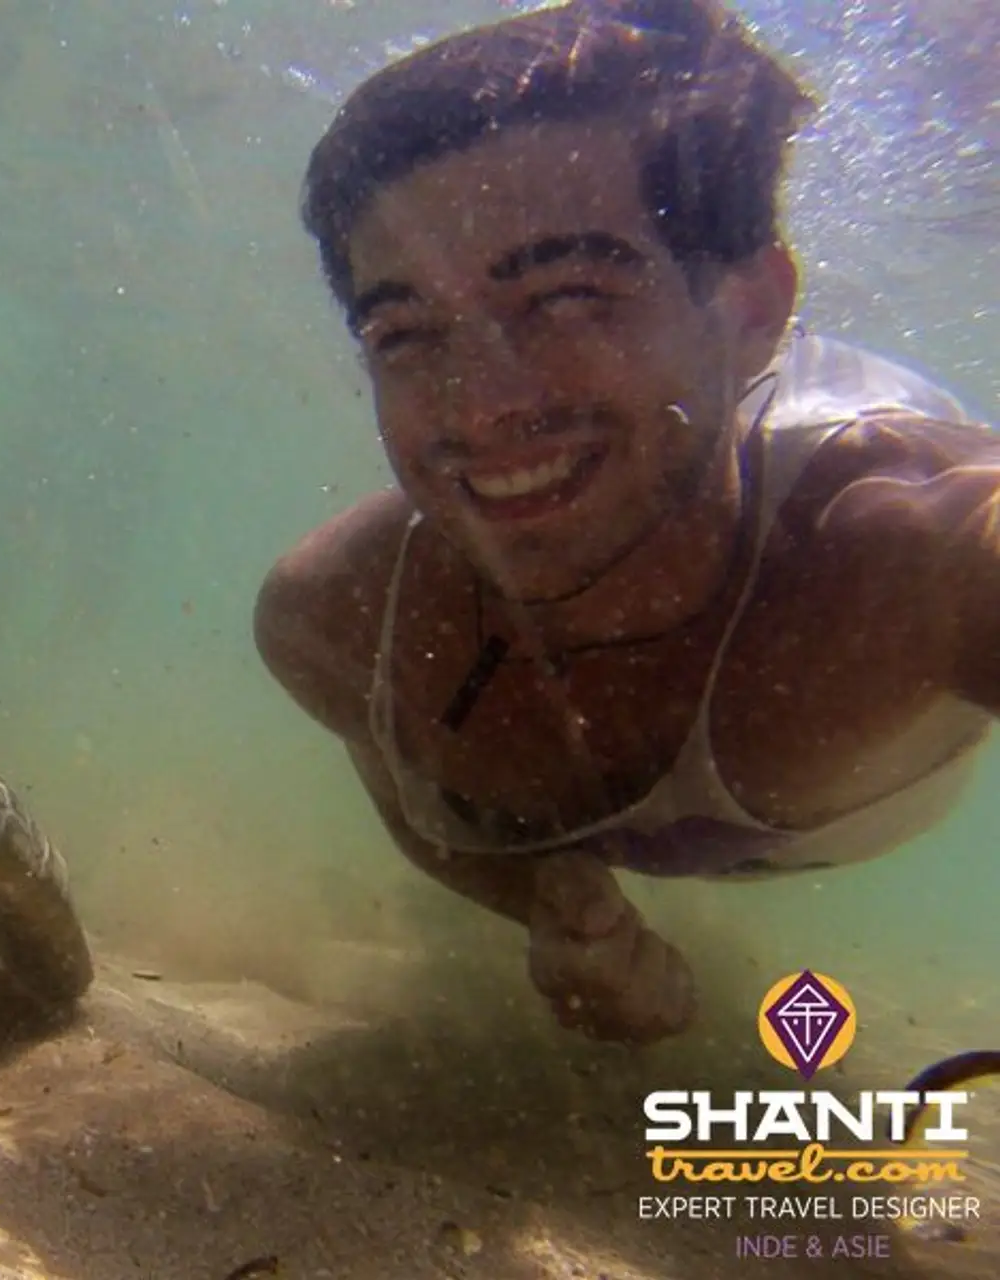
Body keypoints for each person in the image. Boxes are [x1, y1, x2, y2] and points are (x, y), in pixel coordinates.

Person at [251, 0, 998, 1046]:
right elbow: (432, 817)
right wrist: (557, 911)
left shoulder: (909, 553)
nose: (479, 409)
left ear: (749, 313)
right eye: (406, 331)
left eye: (566, 296)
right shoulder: (333, 620)